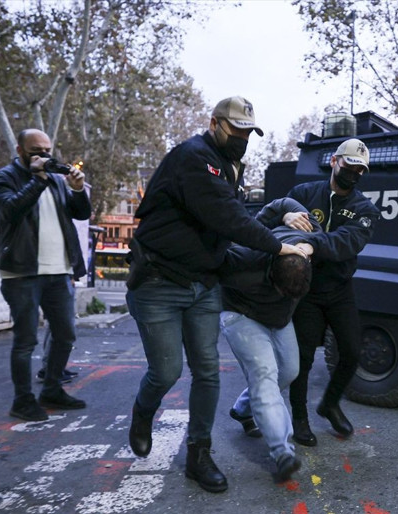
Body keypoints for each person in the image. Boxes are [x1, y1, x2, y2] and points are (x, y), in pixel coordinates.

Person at [125, 96, 307, 493]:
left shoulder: (228, 168)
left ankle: (199, 453)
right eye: (236, 130)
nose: (242, 138)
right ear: (214, 124)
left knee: (207, 371)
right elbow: (230, 219)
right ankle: (143, 413)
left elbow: (239, 221)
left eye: (248, 133)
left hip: (204, 284)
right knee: (168, 371)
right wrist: (280, 248)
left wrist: (283, 219)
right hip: (159, 282)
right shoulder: (195, 158)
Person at [275, 138, 379, 446]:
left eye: (361, 170)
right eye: (350, 166)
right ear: (334, 161)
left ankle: (329, 404)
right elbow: (274, 222)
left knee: (351, 351)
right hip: (306, 290)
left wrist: (312, 243)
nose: (355, 173)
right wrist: (285, 216)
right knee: (303, 360)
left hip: (339, 289)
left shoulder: (365, 209)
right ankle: (299, 418)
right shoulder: (304, 195)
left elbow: (346, 243)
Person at [0, 128, 90, 422]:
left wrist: (77, 189)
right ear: (20, 151)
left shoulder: (58, 180)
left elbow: (80, 214)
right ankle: (22, 401)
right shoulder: (4, 178)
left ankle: (52, 389)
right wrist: (38, 179)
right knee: (25, 340)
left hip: (59, 271)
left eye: (47, 150)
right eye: (36, 151)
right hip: (22, 271)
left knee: (65, 334)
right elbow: (9, 210)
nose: (44, 156)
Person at [219, 198, 317, 482]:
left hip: (278, 319)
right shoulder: (242, 260)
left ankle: (242, 410)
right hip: (242, 313)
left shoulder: (306, 243)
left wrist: (288, 214)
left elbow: (291, 206)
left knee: (289, 371)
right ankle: (281, 451)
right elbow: (232, 239)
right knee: (264, 374)